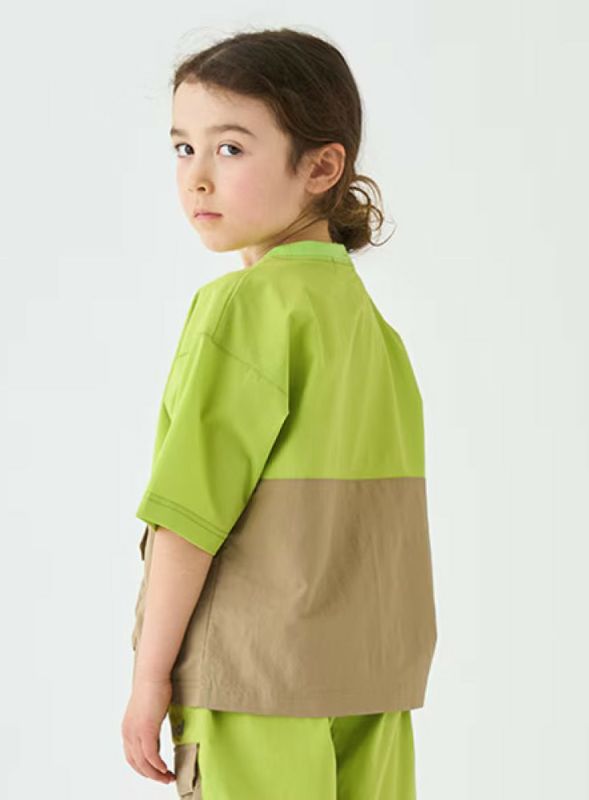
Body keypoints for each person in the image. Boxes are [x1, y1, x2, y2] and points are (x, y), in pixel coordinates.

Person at [120, 27, 437, 799]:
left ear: (321, 167)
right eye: (183, 148)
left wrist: (149, 677)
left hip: (253, 680)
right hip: (372, 681)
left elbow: (188, 516)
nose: (197, 178)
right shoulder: (373, 333)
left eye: (230, 149)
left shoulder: (241, 309)